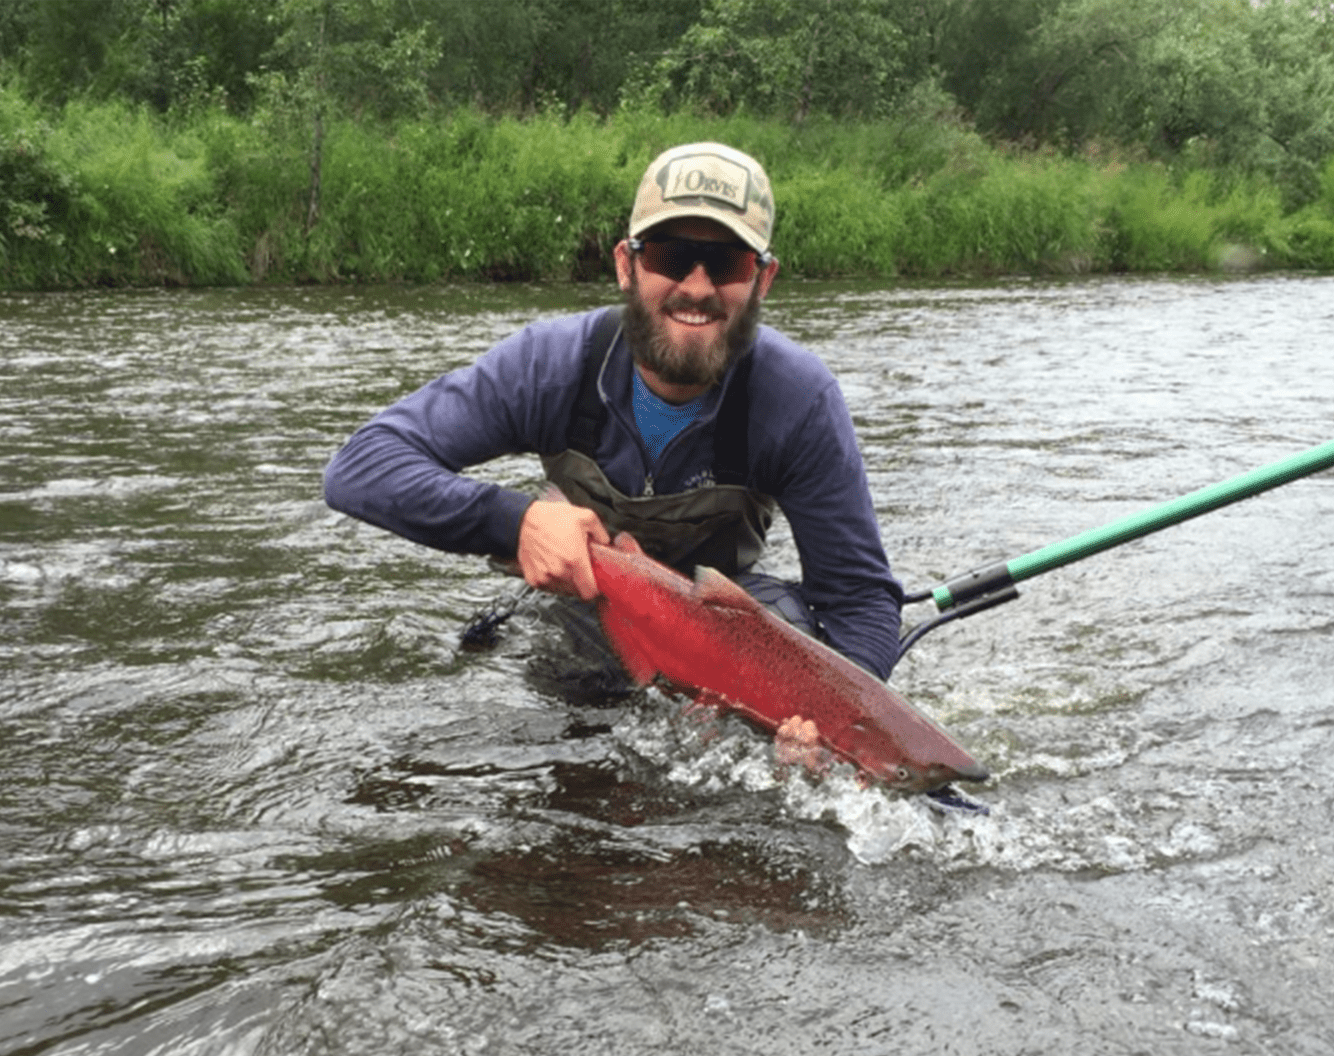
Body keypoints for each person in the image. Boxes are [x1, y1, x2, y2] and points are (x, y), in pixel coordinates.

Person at [322, 140, 904, 683]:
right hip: (583, 620)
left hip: (720, 639)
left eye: (727, 264)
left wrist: (826, 726)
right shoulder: (552, 365)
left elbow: (859, 602)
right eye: (672, 257)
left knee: (791, 638)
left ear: (763, 280)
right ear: (627, 265)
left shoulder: (797, 398)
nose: (697, 287)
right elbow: (361, 467)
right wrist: (517, 521)